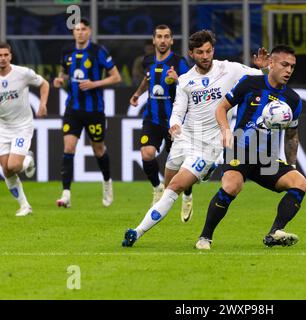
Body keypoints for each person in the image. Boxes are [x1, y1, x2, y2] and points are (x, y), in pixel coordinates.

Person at [122, 29, 270, 247]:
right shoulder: (185, 80)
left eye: (209, 51)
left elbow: (261, 78)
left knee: (174, 189)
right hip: (185, 139)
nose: (205, 56)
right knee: (168, 183)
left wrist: (263, 67)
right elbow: (178, 110)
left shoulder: (229, 69)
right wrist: (174, 124)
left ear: (213, 50)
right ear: (191, 53)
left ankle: (136, 232)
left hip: (208, 145)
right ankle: (194, 186)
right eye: (200, 52)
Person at [195, 45, 306, 250]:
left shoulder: (293, 100)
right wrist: (226, 131)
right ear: (271, 63)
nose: (289, 70)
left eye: (292, 66)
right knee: (232, 186)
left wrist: (291, 164)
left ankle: (275, 232)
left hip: (267, 158)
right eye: (284, 64)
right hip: (240, 148)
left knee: (300, 183)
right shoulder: (250, 84)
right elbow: (222, 108)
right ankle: (205, 238)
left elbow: (292, 136)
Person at [53, 18, 122, 208]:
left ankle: (107, 182)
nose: (80, 32)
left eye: (83, 29)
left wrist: (95, 84)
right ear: (73, 32)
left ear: (89, 31)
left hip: (94, 110)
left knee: (98, 149)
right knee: (68, 148)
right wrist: (60, 80)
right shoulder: (67, 51)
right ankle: (66, 194)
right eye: (77, 29)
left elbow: (116, 77)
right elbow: (64, 73)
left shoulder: (98, 51)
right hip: (73, 109)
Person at [129, 24, 193, 221]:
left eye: (167, 37)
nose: (163, 40)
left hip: (175, 121)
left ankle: (188, 197)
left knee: (180, 164)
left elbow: (192, 85)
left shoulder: (179, 62)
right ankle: (157, 188)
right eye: (159, 36)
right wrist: (138, 93)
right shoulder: (148, 61)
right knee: (147, 154)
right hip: (153, 118)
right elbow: (148, 79)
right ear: (154, 40)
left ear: (172, 40)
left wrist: (178, 79)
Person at [0, 42, 49, 216]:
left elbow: (44, 84)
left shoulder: (22, 73)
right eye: (0, 55)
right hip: (2, 128)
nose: (3, 58)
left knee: (14, 165)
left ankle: (28, 159)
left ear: (10, 56)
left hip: (22, 126)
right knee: (6, 170)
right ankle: (24, 206)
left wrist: (42, 104)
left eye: (6, 55)